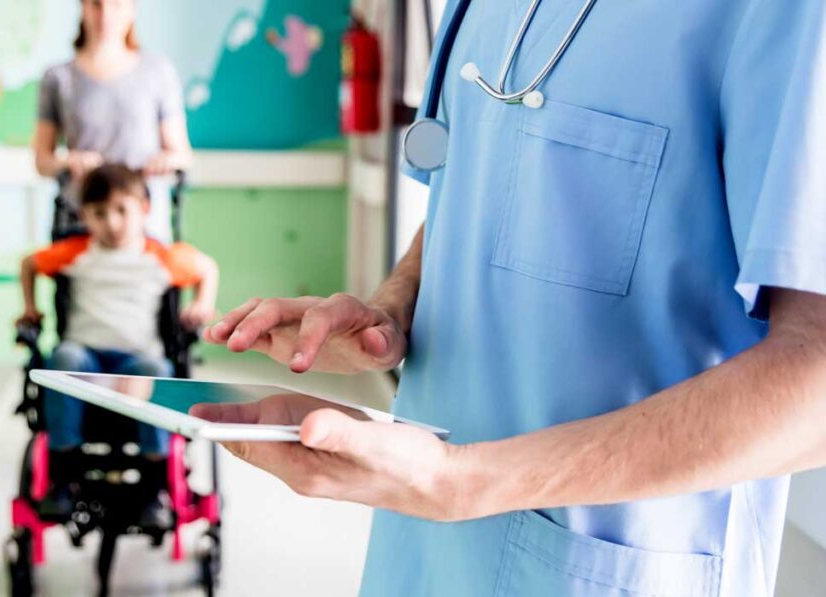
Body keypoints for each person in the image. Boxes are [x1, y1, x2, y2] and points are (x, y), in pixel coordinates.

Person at [197, 1, 826, 595]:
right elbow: (488, 171)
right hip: (420, 549)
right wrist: (389, 311)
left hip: (602, 560)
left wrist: (464, 480)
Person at [18, 164, 218, 513]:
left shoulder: (161, 256)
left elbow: (208, 268)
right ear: (84, 216)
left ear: (143, 209)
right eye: (99, 214)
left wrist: (203, 304)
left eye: (121, 211)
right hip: (86, 358)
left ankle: (154, 486)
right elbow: (29, 264)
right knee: (63, 359)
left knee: (155, 369)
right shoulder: (76, 251)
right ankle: (63, 476)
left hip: (136, 360)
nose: (111, 223)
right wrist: (31, 308)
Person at [34, 0, 192, 242]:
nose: (105, 15)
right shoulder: (58, 78)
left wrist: (163, 161)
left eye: (116, 5)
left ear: (132, 10)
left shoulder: (158, 72)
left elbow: (182, 154)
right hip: (82, 221)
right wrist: (70, 161)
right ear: (83, 8)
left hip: (144, 226)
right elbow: (42, 161)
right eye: (96, 5)